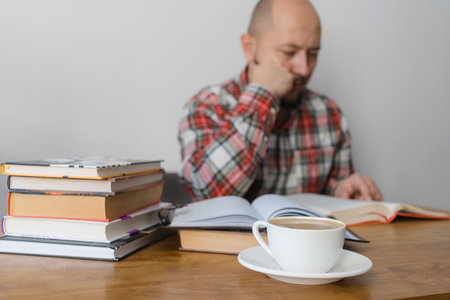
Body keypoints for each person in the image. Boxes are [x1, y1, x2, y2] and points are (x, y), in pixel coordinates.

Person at [178, 0, 383, 202]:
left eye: (312, 54)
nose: (304, 69)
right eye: (289, 52)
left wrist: (343, 191)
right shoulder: (206, 106)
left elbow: (332, 204)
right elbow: (206, 193)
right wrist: (262, 95)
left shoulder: (329, 114)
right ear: (249, 48)